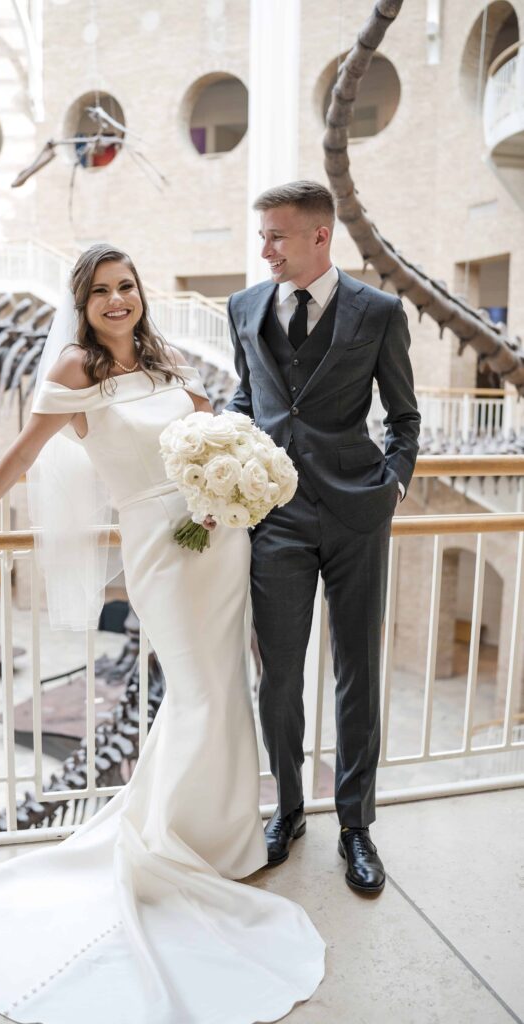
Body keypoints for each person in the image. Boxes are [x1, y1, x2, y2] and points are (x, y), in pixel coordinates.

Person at [0, 244, 325, 1024]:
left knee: (223, 684)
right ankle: (169, 842)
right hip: (159, 549)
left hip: (216, 536)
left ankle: (218, 838)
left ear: (140, 292)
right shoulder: (72, 372)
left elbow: (220, 432)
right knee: (198, 690)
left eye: (126, 286)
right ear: (83, 302)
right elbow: (23, 454)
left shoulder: (167, 364)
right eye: (100, 291)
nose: (116, 300)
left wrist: (237, 484)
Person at [226, 182, 420, 893]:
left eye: (276, 236)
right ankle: (287, 807)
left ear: (318, 237)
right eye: (262, 236)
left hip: (355, 516)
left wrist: (390, 485)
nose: (264, 249)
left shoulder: (378, 312)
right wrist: (226, 449)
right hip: (273, 517)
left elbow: (404, 418)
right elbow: (248, 396)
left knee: (357, 672)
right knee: (276, 675)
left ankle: (356, 826)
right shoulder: (243, 307)